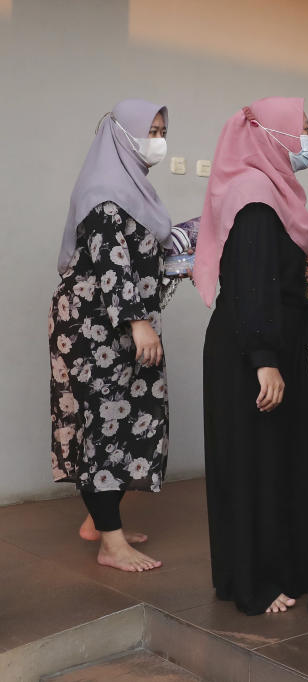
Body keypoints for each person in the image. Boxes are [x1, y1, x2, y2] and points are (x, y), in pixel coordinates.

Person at [193, 97, 308, 615]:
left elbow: (278, 275)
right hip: (251, 353)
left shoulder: (275, 197)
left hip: (269, 344)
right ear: (272, 135)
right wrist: (263, 359)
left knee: (287, 459)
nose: (307, 139)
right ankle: (256, 581)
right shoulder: (255, 195)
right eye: (301, 128)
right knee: (257, 466)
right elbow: (249, 282)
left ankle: (285, 568)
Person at [50, 99, 173, 572]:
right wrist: (138, 321)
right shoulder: (105, 192)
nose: (157, 140)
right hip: (94, 329)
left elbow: (138, 255)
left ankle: (95, 521)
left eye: (162, 130)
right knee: (103, 425)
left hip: (122, 322)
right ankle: (111, 544)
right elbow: (110, 264)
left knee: (129, 417)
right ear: (121, 134)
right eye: (150, 130)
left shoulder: (133, 189)